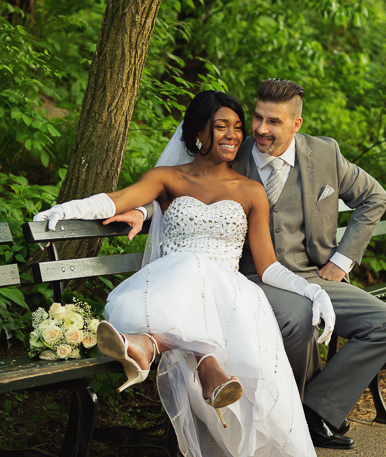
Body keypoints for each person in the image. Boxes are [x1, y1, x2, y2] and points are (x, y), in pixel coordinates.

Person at [33, 91, 331, 457]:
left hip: (229, 298)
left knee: (199, 269)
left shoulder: (251, 191)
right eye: (221, 126)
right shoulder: (167, 178)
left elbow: (268, 266)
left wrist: (313, 291)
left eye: (238, 128)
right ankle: (209, 367)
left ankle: (149, 344)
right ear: (198, 133)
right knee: (190, 265)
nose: (233, 135)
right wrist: (67, 208)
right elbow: (119, 198)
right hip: (169, 288)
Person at [117, 80, 386, 450]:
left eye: (273, 121)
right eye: (257, 117)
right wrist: (141, 210)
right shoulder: (229, 149)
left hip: (312, 274)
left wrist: (341, 259)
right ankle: (290, 422)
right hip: (247, 275)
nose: (259, 129)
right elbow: (177, 183)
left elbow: (374, 197)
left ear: (295, 125)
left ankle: (314, 411)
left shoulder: (325, 154)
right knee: (298, 317)